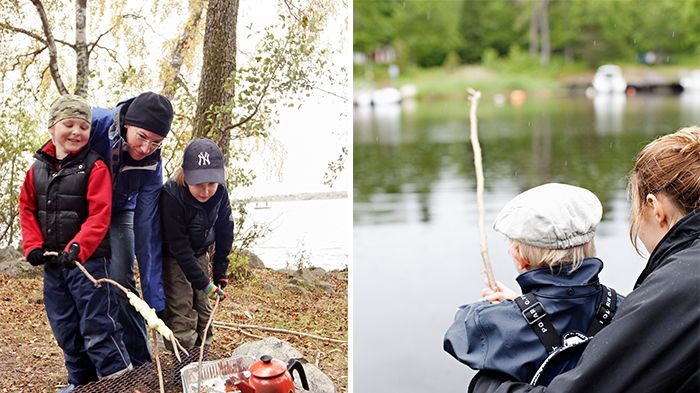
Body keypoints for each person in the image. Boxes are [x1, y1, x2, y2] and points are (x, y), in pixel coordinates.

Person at [469, 126, 700, 393]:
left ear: (655, 208)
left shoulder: (681, 284)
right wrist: (529, 308)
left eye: (634, 208)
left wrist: (487, 385)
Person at [444, 183, 624, 385]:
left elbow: (457, 335)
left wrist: (516, 310)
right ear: (591, 246)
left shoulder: (492, 322)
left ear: (519, 257)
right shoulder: (626, 309)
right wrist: (526, 306)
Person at [19, 95, 132, 391]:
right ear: (52, 128)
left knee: (99, 327)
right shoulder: (37, 169)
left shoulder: (94, 168)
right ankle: (82, 384)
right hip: (54, 266)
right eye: (68, 124)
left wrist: (78, 247)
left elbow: (99, 215)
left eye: (83, 126)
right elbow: (27, 208)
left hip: (89, 265)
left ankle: (118, 383)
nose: (76, 132)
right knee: (66, 329)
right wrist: (32, 245)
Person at [89, 91, 173, 366]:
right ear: (127, 125)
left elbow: (147, 228)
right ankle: (89, 367)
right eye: (142, 137)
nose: (147, 147)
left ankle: (140, 361)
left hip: (121, 211)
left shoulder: (152, 165)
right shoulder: (94, 125)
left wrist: (154, 300)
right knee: (85, 285)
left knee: (121, 281)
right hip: (83, 210)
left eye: (156, 142)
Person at [160, 138, 232, 349]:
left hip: (200, 253)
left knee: (204, 305)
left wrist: (220, 272)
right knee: (182, 308)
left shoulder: (220, 193)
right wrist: (203, 282)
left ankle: (202, 354)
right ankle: (183, 362)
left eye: (211, 183)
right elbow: (179, 247)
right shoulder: (171, 195)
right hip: (175, 257)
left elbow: (225, 230)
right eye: (199, 184)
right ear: (185, 175)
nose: (206, 190)